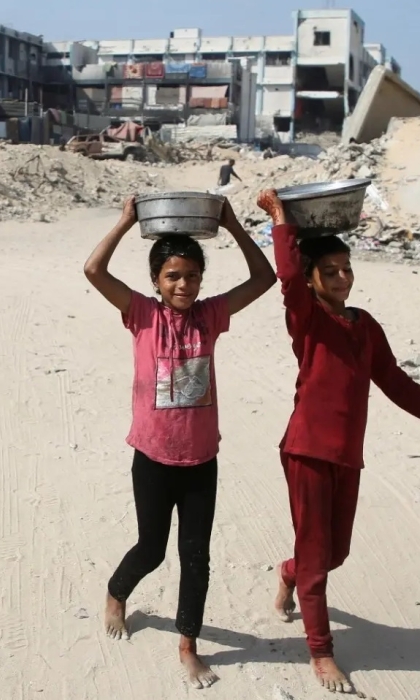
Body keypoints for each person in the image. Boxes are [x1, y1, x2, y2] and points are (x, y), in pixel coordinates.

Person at [257, 189, 420, 693]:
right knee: (319, 560)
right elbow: (287, 277)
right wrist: (281, 219)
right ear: (312, 279)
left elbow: (396, 383)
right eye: (330, 271)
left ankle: (289, 573)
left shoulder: (365, 326)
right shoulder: (308, 318)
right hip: (307, 451)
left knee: (334, 554)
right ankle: (321, 653)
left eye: (346, 268)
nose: (342, 278)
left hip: (346, 455)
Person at [83, 195, 276, 689]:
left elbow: (264, 279)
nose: (183, 285)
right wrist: (125, 221)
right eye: (172, 276)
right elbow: (93, 270)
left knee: (196, 556)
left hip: (201, 460)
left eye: (191, 276)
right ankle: (116, 592)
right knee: (152, 549)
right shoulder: (142, 315)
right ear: (156, 281)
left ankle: (188, 645)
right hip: (152, 457)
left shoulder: (211, 315)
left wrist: (233, 224)